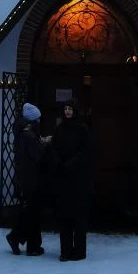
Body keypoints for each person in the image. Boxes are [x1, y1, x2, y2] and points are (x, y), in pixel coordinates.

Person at [6, 102, 48, 256]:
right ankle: (22, 240)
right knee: (32, 213)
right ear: (33, 120)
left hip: (25, 178)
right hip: (31, 179)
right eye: (37, 119)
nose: (39, 122)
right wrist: (44, 144)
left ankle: (25, 241)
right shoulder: (28, 136)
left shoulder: (23, 132)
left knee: (30, 212)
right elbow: (37, 155)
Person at [53, 100, 90, 261]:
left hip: (78, 177)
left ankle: (79, 251)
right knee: (64, 215)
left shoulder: (82, 128)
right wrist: (59, 162)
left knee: (78, 215)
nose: (67, 111)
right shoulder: (60, 128)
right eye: (65, 109)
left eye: (70, 109)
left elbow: (86, 150)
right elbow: (54, 147)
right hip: (63, 176)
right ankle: (65, 250)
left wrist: (72, 163)